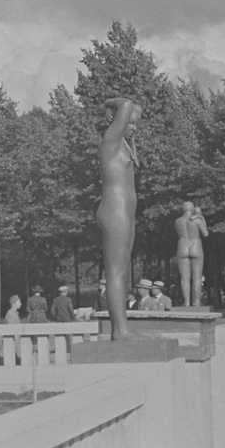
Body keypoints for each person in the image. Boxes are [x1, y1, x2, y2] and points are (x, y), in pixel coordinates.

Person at [96, 98, 143, 339]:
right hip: (115, 210)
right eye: (130, 122)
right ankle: (119, 330)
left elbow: (134, 108)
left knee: (122, 272)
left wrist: (132, 136)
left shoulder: (123, 143)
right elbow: (125, 103)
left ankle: (121, 327)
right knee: (115, 272)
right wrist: (108, 104)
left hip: (124, 212)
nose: (133, 127)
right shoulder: (110, 141)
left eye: (136, 124)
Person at [174, 202, 208, 306]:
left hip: (182, 246)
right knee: (197, 277)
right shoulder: (197, 220)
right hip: (195, 246)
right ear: (192, 209)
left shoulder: (177, 221)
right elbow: (205, 233)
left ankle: (186, 302)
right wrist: (201, 217)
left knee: (184, 278)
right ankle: (197, 302)